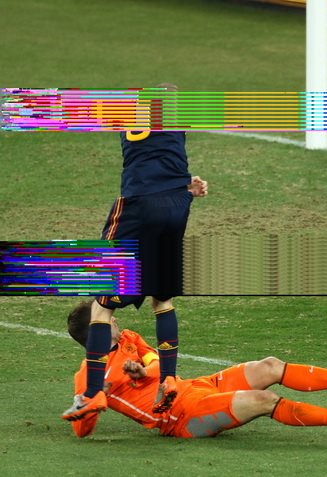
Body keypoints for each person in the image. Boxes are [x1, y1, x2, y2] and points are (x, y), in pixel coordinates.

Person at [62, 83, 209, 422]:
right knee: (163, 299)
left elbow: (147, 162)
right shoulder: (176, 127)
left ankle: (92, 394)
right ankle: (169, 379)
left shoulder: (125, 123)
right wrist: (187, 188)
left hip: (139, 206)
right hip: (177, 206)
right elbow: (168, 160)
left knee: (102, 305)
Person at [63, 302, 327, 438]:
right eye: (106, 318)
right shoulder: (88, 376)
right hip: (182, 418)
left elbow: (159, 363)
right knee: (263, 400)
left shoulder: (128, 340)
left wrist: (144, 372)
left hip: (197, 387)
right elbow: (81, 429)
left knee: (269, 366)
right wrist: (98, 399)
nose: (113, 317)